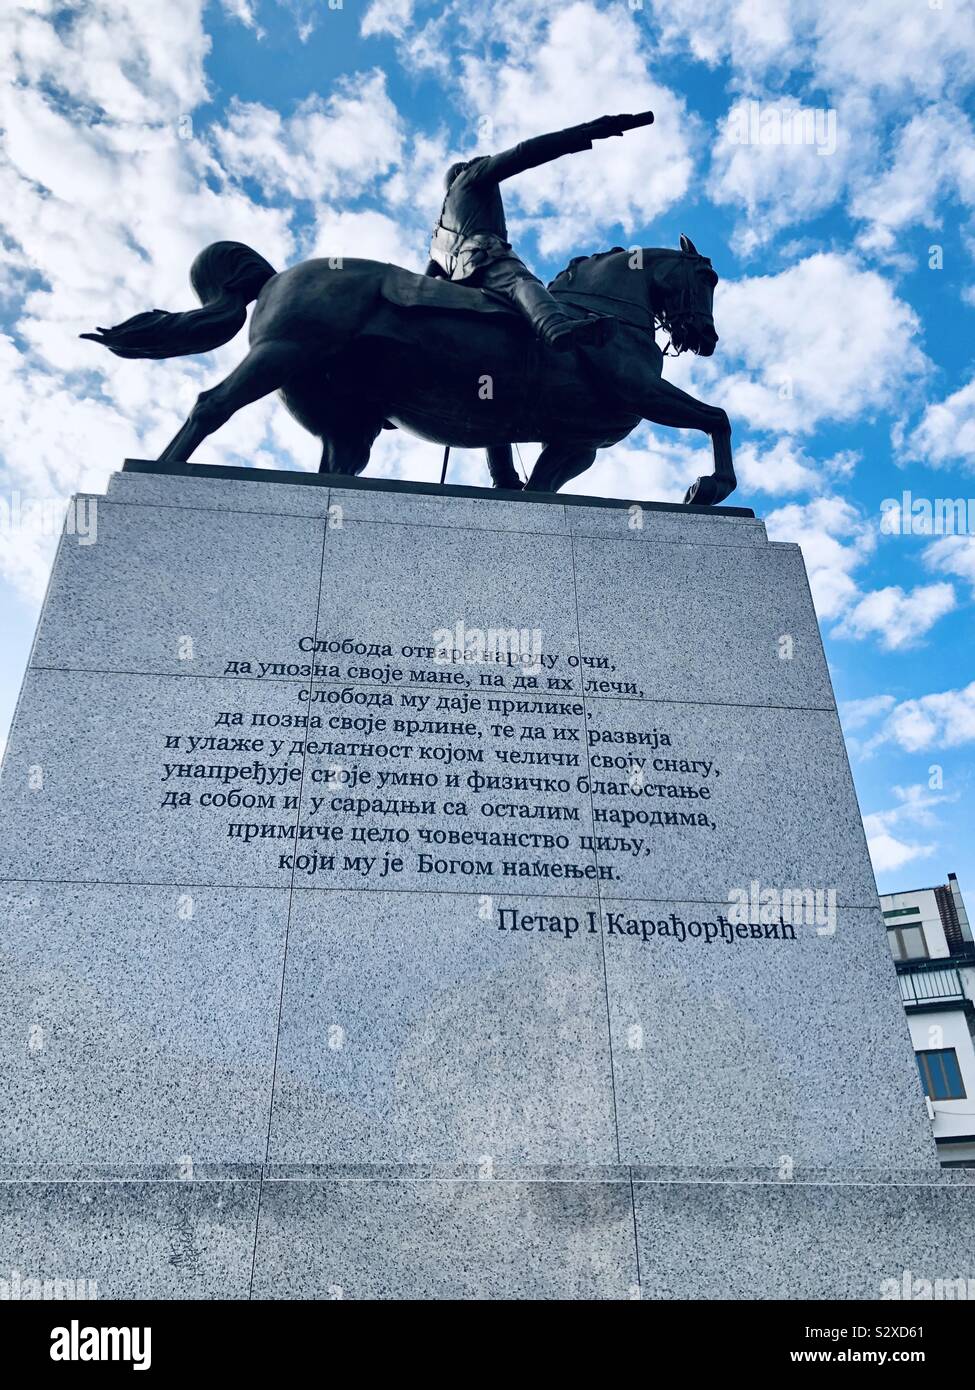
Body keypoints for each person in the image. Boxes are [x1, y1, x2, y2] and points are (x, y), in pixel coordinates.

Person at [425, 112, 652, 487]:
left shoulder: (440, 232)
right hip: (488, 264)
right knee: (522, 282)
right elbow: (524, 153)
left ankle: (503, 476)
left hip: (460, 291)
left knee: (494, 387)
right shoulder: (472, 178)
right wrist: (584, 132)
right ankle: (558, 327)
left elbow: (429, 276)